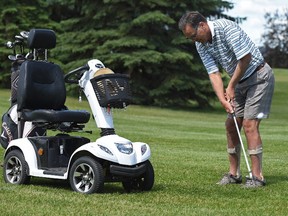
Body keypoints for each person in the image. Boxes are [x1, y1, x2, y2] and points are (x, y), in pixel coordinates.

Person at [178, 11, 274, 188]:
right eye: (189, 38)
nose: (193, 40)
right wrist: (222, 98)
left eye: (193, 35)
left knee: (249, 124)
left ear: (202, 25)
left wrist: (230, 86)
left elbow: (245, 59)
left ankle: (257, 177)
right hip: (239, 82)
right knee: (231, 125)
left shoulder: (226, 28)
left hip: (258, 76)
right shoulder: (201, 44)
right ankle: (233, 174)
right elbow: (213, 73)